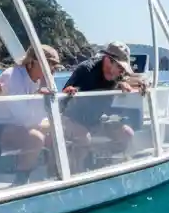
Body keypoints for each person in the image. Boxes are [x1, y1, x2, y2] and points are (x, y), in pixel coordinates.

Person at [61, 41, 146, 172]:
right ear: (108, 60)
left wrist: (139, 83)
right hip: (72, 119)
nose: (122, 72)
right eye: (120, 67)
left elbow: (128, 79)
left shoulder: (118, 74)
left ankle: (101, 163)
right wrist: (70, 91)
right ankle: (75, 172)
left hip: (96, 121)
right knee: (84, 138)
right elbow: (63, 97)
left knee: (127, 134)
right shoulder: (86, 70)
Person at [0, 44, 61, 185]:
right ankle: (20, 184)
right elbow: (24, 119)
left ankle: (55, 179)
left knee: (57, 134)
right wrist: (38, 97)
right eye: (49, 64)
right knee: (35, 138)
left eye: (55, 66)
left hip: (15, 126)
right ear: (32, 62)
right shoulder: (13, 76)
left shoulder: (43, 79)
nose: (53, 69)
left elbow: (46, 115)